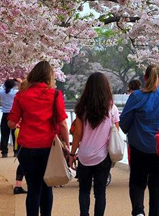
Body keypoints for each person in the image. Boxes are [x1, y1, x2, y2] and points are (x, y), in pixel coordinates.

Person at [7, 61, 69, 216]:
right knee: (47, 186)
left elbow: (12, 123)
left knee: (33, 189)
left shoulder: (21, 95)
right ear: (50, 76)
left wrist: (22, 121)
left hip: (27, 146)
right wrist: (67, 144)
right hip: (48, 147)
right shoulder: (55, 94)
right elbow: (62, 123)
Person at [120, 65, 159, 216]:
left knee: (137, 182)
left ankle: (138, 212)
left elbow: (124, 123)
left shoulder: (136, 96)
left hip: (139, 147)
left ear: (145, 77)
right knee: (157, 186)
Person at [68, 73, 119, 216]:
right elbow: (115, 131)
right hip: (103, 156)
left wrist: (72, 154)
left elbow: (77, 134)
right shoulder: (111, 108)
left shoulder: (81, 108)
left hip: (84, 155)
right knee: (100, 192)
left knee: (84, 190)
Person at [0, 78, 20, 157]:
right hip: (14, 114)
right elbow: (22, 88)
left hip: (5, 114)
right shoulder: (15, 92)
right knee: (15, 133)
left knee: (4, 134)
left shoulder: (1, 92)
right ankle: (16, 151)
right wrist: (18, 81)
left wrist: (7, 81)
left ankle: (4, 151)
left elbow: (0, 88)